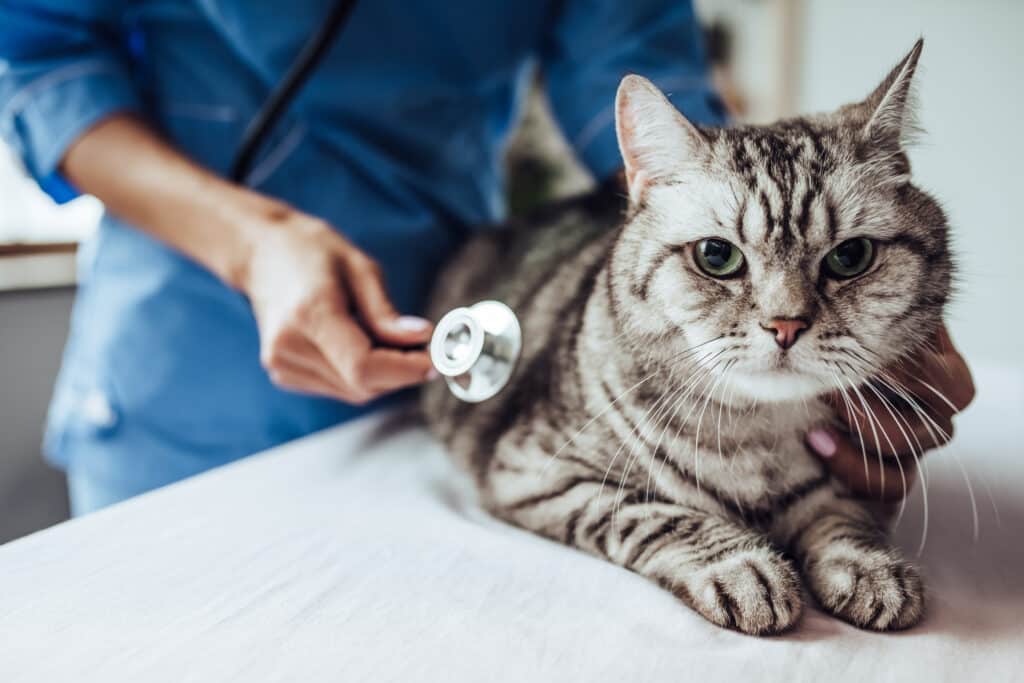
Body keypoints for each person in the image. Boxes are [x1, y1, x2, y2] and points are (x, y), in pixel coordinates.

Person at [0, 1, 973, 515]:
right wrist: (252, 244)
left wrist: (828, 276)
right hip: (191, 337)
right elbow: (42, 62)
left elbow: (635, 88)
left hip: (465, 333)